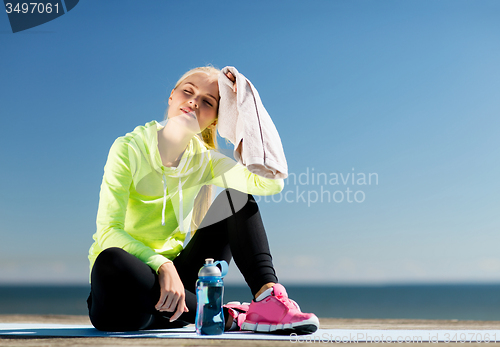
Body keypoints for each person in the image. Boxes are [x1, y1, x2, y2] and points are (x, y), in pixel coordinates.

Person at [87, 66, 319, 334]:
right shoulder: (127, 149)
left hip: (178, 292)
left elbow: (271, 182)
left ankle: (267, 302)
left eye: (208, 101)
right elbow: (108, 231)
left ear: (215, 120)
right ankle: (225, 317)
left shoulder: (203, 161)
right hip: (126, 300)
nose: (195, 101)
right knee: (111, 259)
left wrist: (246, 108)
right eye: (188, 91)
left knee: (237, 199)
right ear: (172, 96)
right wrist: (162, 266)